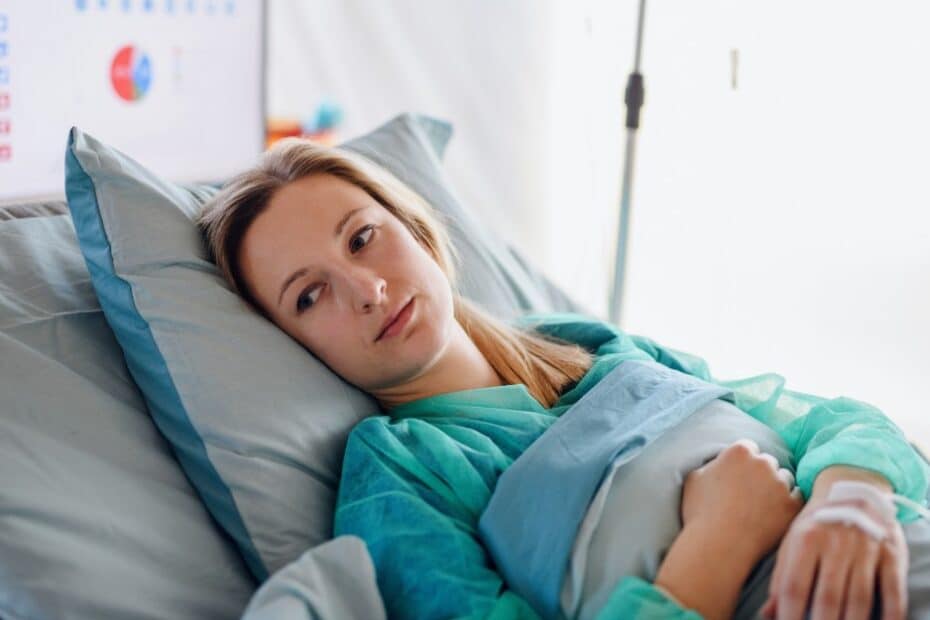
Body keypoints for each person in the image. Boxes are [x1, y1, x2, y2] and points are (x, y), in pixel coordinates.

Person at [197, 137, 929, 620]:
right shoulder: (400, 475)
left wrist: (851, 496)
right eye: (309, 295)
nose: (365, 290)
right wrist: (721, 540)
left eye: (363, 237)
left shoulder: (591, 347)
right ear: (292, 344)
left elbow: (822, 420)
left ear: (417, 229)